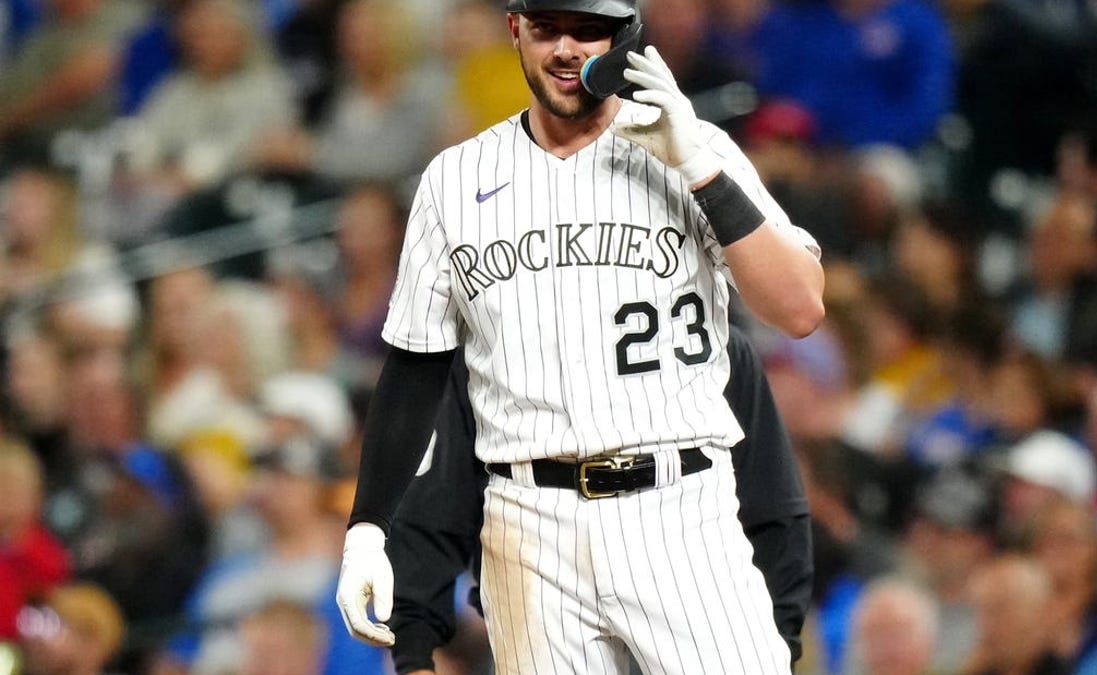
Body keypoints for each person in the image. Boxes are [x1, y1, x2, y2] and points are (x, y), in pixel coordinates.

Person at [335, 0, 826, 672]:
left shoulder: (698, 148)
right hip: (526, 524)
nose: (566, 48)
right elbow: (415, 371)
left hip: (677, 509)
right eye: (547, 28)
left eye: (588, 29)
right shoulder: (454, 179)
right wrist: (367, 529)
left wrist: (701, 172)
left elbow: (800, 307)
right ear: (516, 31)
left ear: (626, 37)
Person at [385, 325, 814, 673]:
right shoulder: (490, 356)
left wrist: (776, 645)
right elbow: (436, 509)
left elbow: (774, 515)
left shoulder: (710, 344)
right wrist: (415, 649)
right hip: (542, 609)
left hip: (701, 610)